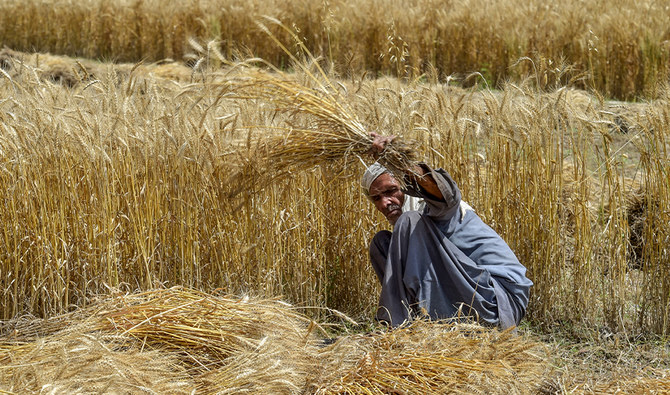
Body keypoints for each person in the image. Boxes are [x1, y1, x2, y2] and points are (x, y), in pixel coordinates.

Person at [363, 133, 532, 329]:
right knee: (382, 243)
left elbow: (445, 192)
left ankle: (399, 326)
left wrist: (401, 163)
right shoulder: (411, 234)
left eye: (391, 191)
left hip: (497, 300)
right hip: (464, 298)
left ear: (406, 185)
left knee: (408, 222)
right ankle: (413, 326)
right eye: (376, 198)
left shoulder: (437, 208)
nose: (385, 202)